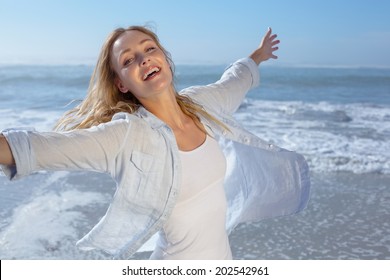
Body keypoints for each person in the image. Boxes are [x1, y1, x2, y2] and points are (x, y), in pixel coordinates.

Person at [0, 25, 310, 260]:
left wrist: (258, 55)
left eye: (149, 49)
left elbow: (234, 81)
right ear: (122, 83)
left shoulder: (202, 105)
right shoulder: (126, 136)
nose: (144, 59)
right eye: (129, 59)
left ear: (164, 59)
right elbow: (34, 148)